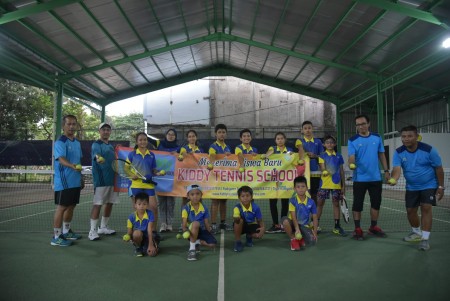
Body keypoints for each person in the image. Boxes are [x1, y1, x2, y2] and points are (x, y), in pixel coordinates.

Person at [390, 125, 445, 251]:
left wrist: (441, 187)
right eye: (403, 136)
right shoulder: (398, 152)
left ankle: (425, 239)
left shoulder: (429, 150)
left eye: (410, 136)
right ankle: (416, 232)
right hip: (411, 187)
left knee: (426, 207)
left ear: (416, 136)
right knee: (410, 211)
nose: (406, 139)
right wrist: (394, 179)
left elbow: (439, 168)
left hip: (429, 185)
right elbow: (397, 169)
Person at [348, 114, 390, 240]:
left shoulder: (377, 137)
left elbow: (382, 155)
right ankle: (357, 229)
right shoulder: (352, 140)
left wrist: (386, 170)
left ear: (368, 123)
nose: (361, 126)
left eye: (363, 123)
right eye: (358, 125)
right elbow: (351, 156)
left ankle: (373, 227)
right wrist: (352, 163)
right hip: (360, 178)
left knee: (376, 203)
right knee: (357, 204)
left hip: (376, 178)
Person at [51, 114, 83, 246]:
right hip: (64, 182)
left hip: (75, 180)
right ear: (63, 126)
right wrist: (72, 166)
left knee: (71, 206)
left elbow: (78, 161)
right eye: (68, 124)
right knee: (62, 207)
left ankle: (66, 231)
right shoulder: (60, 142)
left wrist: (81, 178)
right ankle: (57, 236)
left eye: (73, 124)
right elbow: (61, 159)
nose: (71, 126)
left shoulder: (77, 143)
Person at [127, 132, 164, 238]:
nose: (143, 142)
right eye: (141, 140)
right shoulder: (132, 154)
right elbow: (126, 168)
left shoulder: (151, 155)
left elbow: (153, 170)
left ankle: (153, 231)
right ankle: (137, 232)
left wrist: (158, 173)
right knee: (137, 210)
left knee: (154, 208)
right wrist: (132, 175)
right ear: (137, 141)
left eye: (145, 140)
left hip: (148, 185)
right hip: (136, 185)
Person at [88, 122, 118, 241]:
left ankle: (103, 227)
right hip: (101, 180)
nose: (106, 131)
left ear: (110, 132)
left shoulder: (110, 146)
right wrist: (98, 158)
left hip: (112, 179)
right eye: (103, 129)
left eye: (108, 130)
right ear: (99, 131)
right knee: (98, 204)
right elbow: (96, 155)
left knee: (109, 203)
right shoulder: (96, 144)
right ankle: (92, 231)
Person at [262, 131, 293, 233]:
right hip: (273, 180)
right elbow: (269, 154)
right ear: (275, 141)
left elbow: (291, 159)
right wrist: (266, 155)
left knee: (285, 203)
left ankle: (283, 225)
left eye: (281, 138)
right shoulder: (272, 149)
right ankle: (275, 224)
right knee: (273, 202)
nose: (280, 140)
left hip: (285, 181)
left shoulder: (289, 150)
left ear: (285, 139)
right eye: (278, 139)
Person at [295, 121, 324, 229]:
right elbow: (297, 153)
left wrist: (315, 156)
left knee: (314, 197)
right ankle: (302, 221)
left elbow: (322, 156)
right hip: (303, 175)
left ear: (312, 129)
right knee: (303, 196)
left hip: (315, 174)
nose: (307, 130)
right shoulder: (299, 141)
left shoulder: (318, 142)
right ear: (302, 130)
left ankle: (314, 222)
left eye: (309, 128)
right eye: (305, 128)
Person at [317, 135, 347, 236]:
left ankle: (337, 226)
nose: (329, 144)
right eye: (327, 142)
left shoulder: (339, 156)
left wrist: (343, 186)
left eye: (331, 142)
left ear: (334, 144)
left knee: (336, 204)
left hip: (336, 184)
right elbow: (322, 167)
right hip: (324, 184)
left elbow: (342, 171)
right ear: (324, 144)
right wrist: (324, 170)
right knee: (320, 203)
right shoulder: (322, 155)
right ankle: (316, 225)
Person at [281, 176, 318, 251]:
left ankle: (300, 238)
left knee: (312, 241)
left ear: (307, 188)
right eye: (298, 187)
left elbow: (315, 217)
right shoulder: (292, 201)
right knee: (284, 221)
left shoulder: (311, 202)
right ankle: (293, 239)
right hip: (293, 223)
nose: (301, 189)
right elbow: (293, 216)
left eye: (303, 186)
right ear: (295, 189)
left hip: (304, 225)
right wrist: (297, 229)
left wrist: (315, 231)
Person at [181, 184, 217, 261]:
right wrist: (185, 231)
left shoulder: (204, 208)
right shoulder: (186, 208)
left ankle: (197, 242)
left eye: (197, 194)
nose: (195, 196)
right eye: (192, 194)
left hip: (202, 230)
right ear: (188, 196)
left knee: (212, 244)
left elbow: (206, 222)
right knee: (196, 223)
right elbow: (184, 225)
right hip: (191, 231)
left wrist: (209, 230)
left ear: (201, 195)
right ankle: (192, 250)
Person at [178, 129, 205, 230]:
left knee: (198, 198)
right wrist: (182, 156)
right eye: (189, 136)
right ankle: (184, 224)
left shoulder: (201, 150)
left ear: (196, 137)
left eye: (193, 136)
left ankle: (200, 222)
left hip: (198, 177)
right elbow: (182, 155)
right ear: (187, 138)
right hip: (186, 177)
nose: (192, 138)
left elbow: (204, 161)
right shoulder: (184, 148)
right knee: (185, 200)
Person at [208, 124, 232, 233]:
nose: (221, 134)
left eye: (223, 132)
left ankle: (222, 222)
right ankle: (213, 224)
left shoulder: (227, 147)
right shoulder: (213, 146)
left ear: (226, 134)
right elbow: (212, 155)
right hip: (214, 177)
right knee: (215, 201)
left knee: (223, 201)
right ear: (215, 134)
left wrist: (228, 155)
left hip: (224, 178)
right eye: (219, 132)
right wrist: (212, 163)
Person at [156, 129, 180, 233]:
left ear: (175, 136)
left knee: (170, 203)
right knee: (161, 203)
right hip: (160, 179)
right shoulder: (159, 144)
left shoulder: (179, 148)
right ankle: (163, 224)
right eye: (169, 134)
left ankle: (169, 224)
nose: (171, 136)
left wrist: (178, 154)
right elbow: (146, 140)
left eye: (173, 134)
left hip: (172, 180)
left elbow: (185, 156)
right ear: (165, 135)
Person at [123, 192, 159, 257]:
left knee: (152, 254)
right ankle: (138, 247)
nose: (141, 206)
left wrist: (150, 244)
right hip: (139, 236)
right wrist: (129, 237)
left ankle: (152, 243)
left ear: (147, 205)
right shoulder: (131, 217)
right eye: (139, 204)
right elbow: (129, 232)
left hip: (149, 235)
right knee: (136, 234)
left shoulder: (150, 214)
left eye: (144, 204)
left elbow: (149, 229)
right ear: (135, 205)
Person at [233, 186, 265, 252]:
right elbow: (236, 219)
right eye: (243, 196)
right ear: (239, 198)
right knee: (239, 221)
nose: (245, 198)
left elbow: (260, 220)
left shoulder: (256, 207)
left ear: (251, 197)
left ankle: (249, 236)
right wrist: (236, 218)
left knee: (258, 234)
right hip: (241, 226)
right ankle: (238, 242)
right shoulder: (237, 207)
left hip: (251, 225)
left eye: (247, 196)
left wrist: (263, 229)